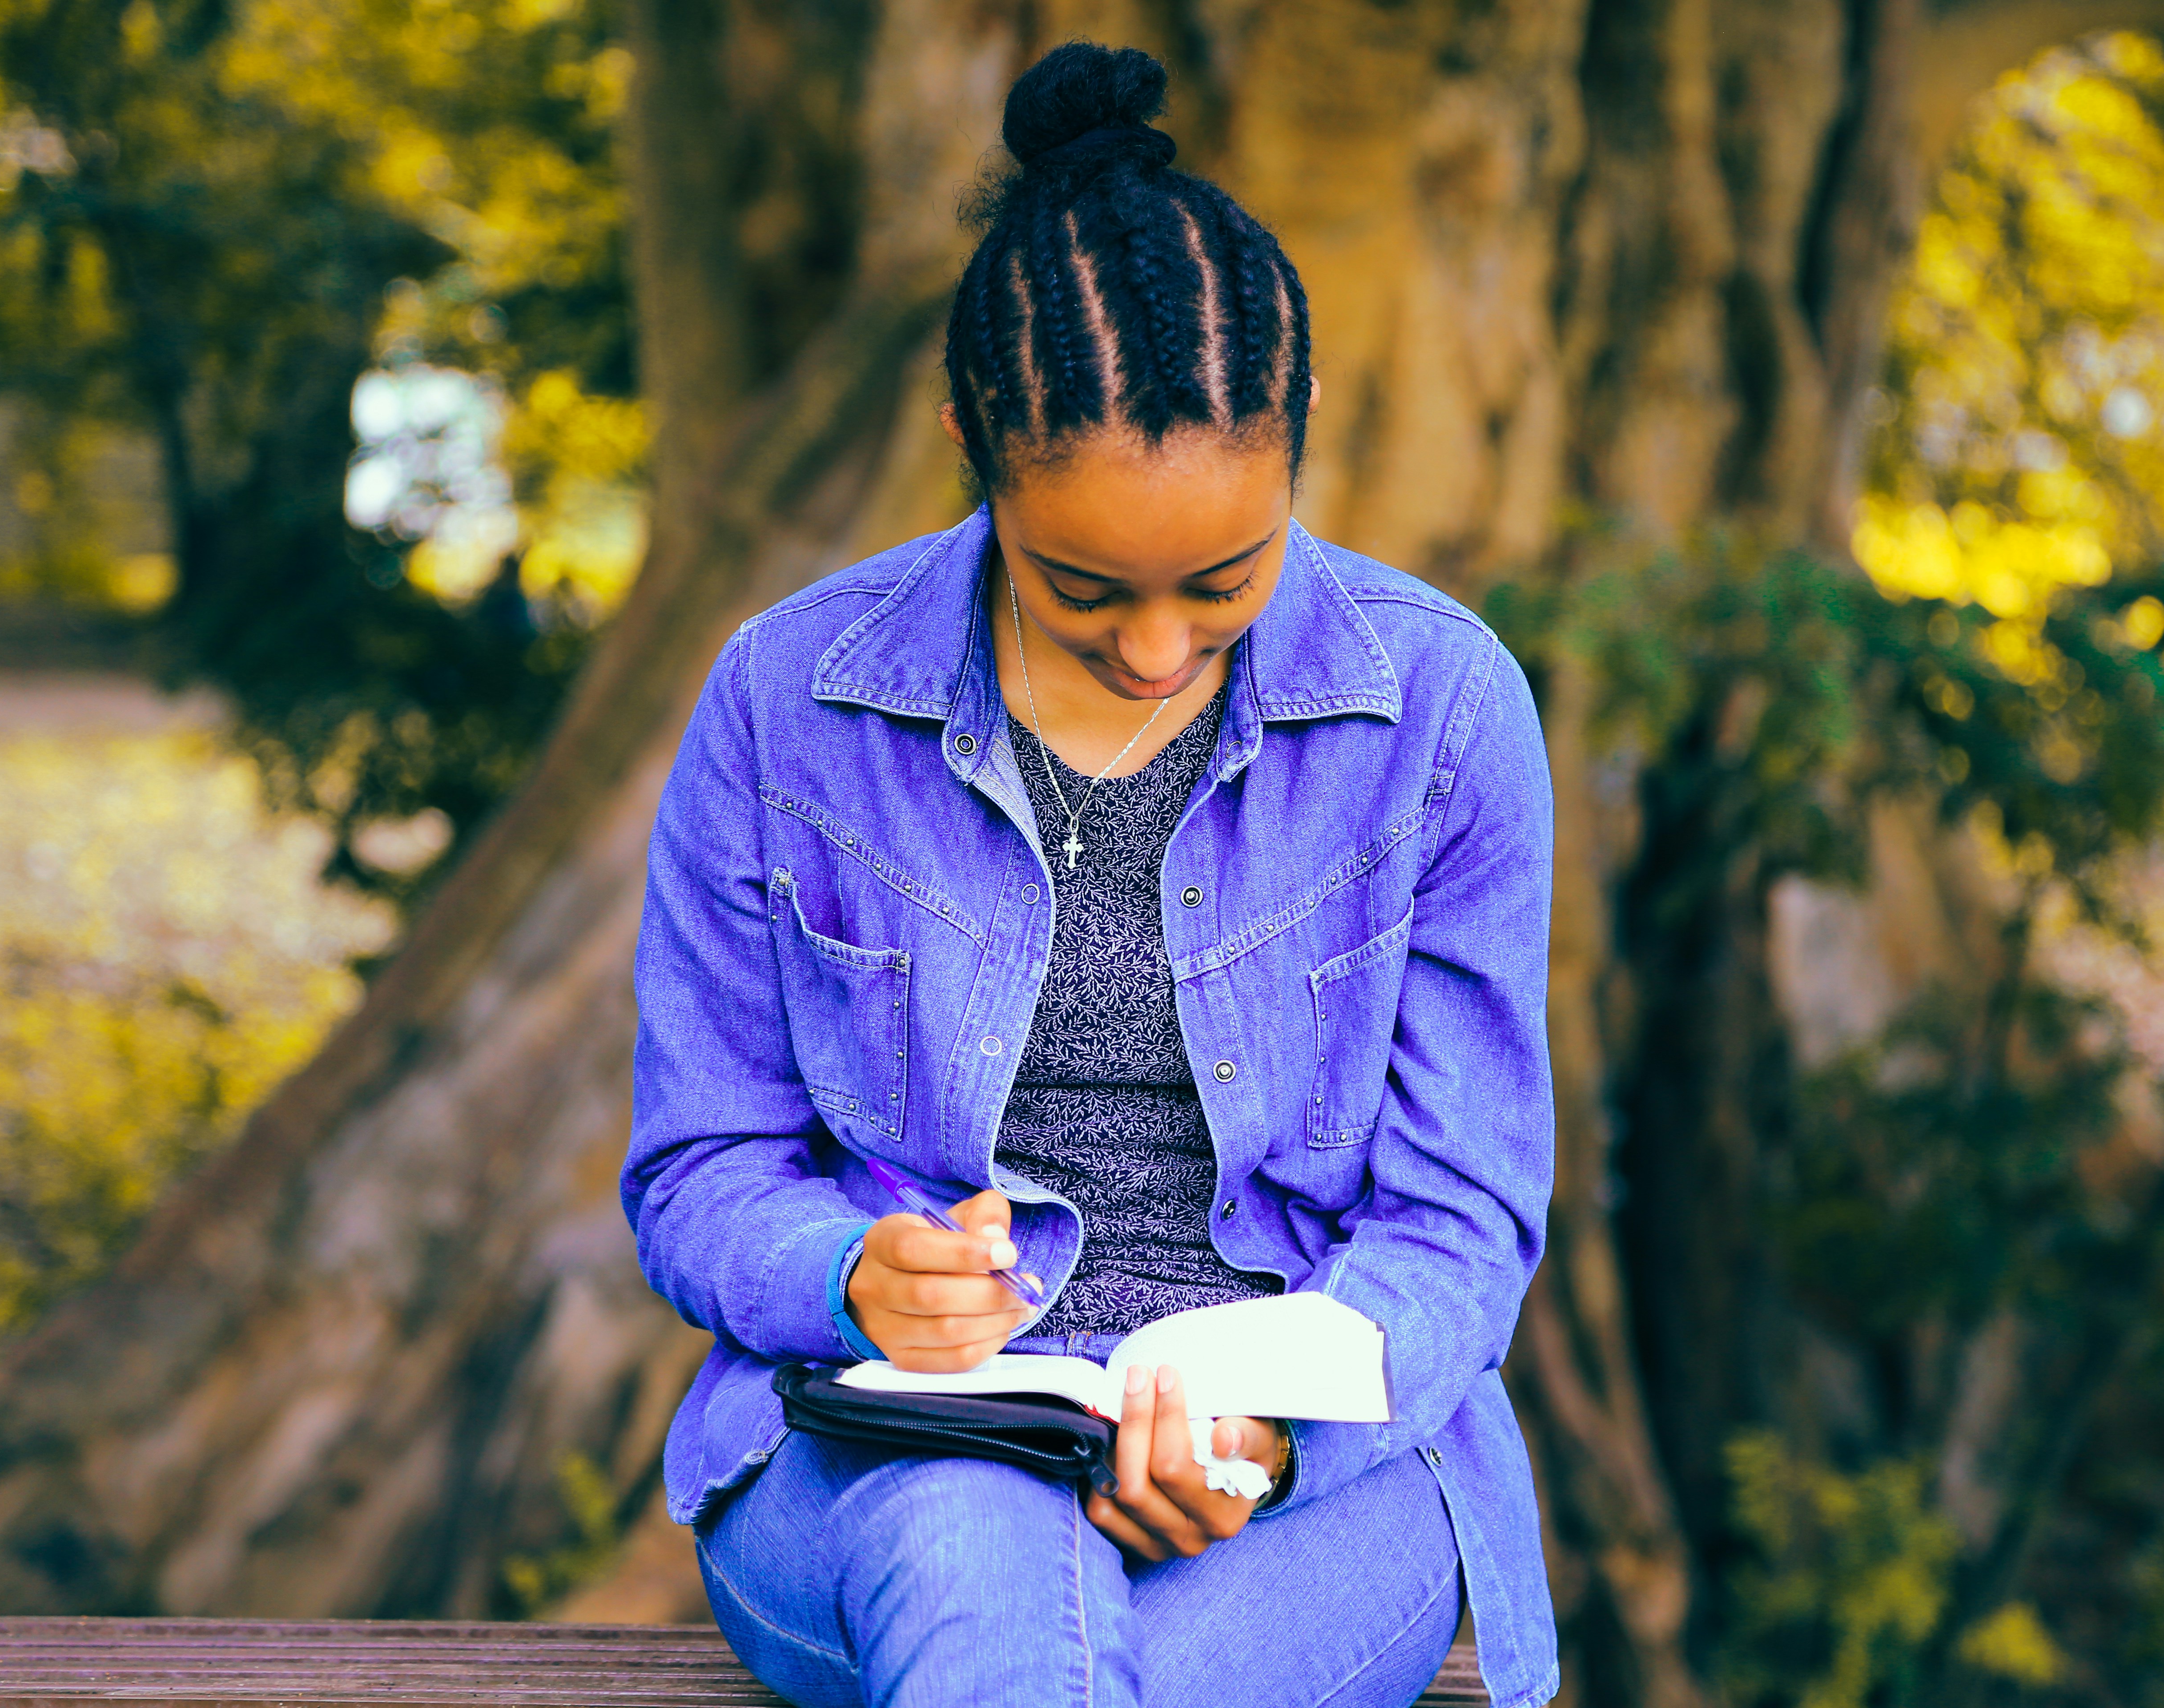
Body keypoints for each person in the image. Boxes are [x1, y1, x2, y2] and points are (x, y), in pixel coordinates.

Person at [622, 40, 1559, 1708]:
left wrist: (1267, 1422)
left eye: (1223, 581)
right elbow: (700, 1169)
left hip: (1310, 1478)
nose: (1155, 649)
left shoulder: (1441, 708)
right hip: (877, 1465)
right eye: (1081, 589)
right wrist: (846, 1275)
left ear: (1301, 431)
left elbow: (1462, 1212)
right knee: (980, 1559)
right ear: (971, 437)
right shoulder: (789, 702)